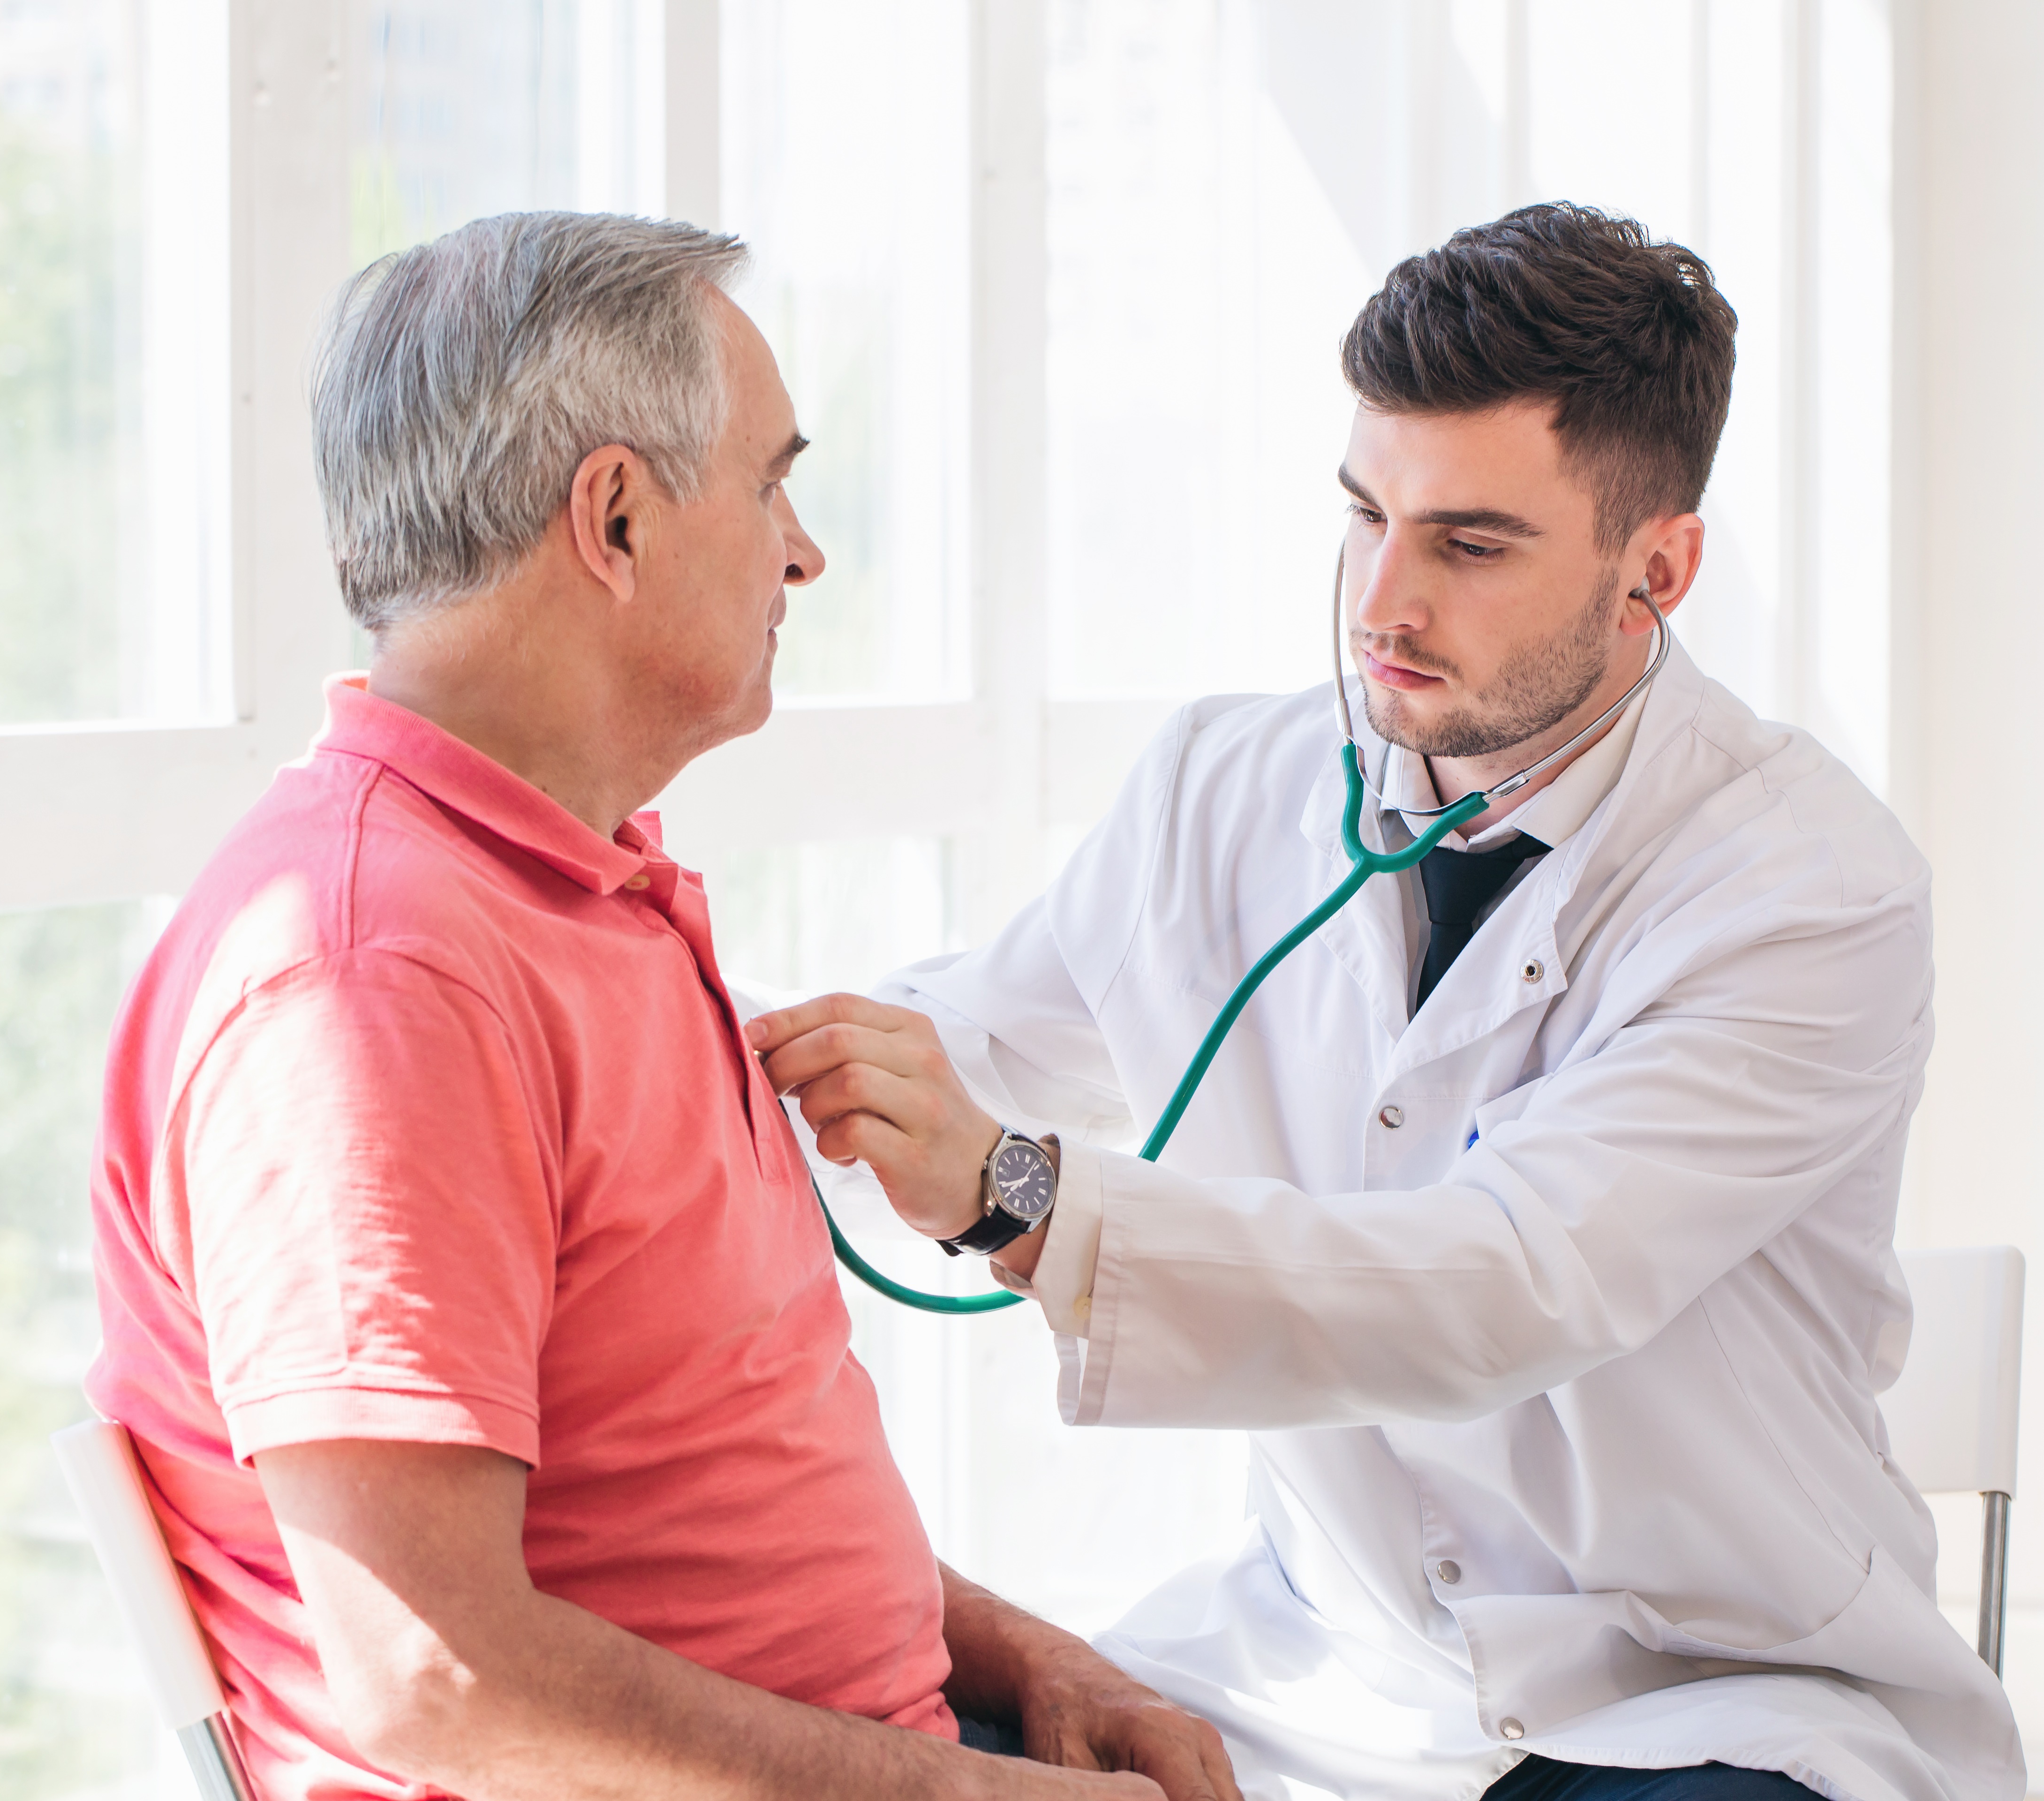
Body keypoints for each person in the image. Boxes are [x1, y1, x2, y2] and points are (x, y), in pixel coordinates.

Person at [750, 204, 2025, 1801]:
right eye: (1366, 516)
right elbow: (955, 1039)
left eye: (1471, 545)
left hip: (1698, 1696)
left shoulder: (1804, 888)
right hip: (1312, 1676)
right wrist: (638, 1027)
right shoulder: (1222, 790)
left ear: (1658, 573)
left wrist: (1017, 1195)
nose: (1382, 604)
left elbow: (1500, 1282)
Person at [85, 212, 1239, 1801]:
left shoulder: (576, 888)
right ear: (615, 518)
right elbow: (436, 1678)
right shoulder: (374, 979)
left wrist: (1034, 1663)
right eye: (772, 482)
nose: (804, 548)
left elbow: (697, 1497)